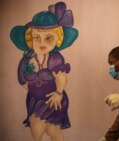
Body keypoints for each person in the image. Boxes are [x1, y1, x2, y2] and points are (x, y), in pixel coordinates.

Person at [10, 2, 78, 141]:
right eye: (37, 37)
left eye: (48, 38)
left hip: (54, 99)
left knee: (45, 127)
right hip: (34, 99)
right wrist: (32, 86)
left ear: (57, 39)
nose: (42, 43)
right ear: (30, 38)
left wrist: (59, 93)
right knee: (43, 129)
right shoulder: (27, 57)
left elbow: (61, 77)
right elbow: (22, 78)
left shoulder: (55, 58)